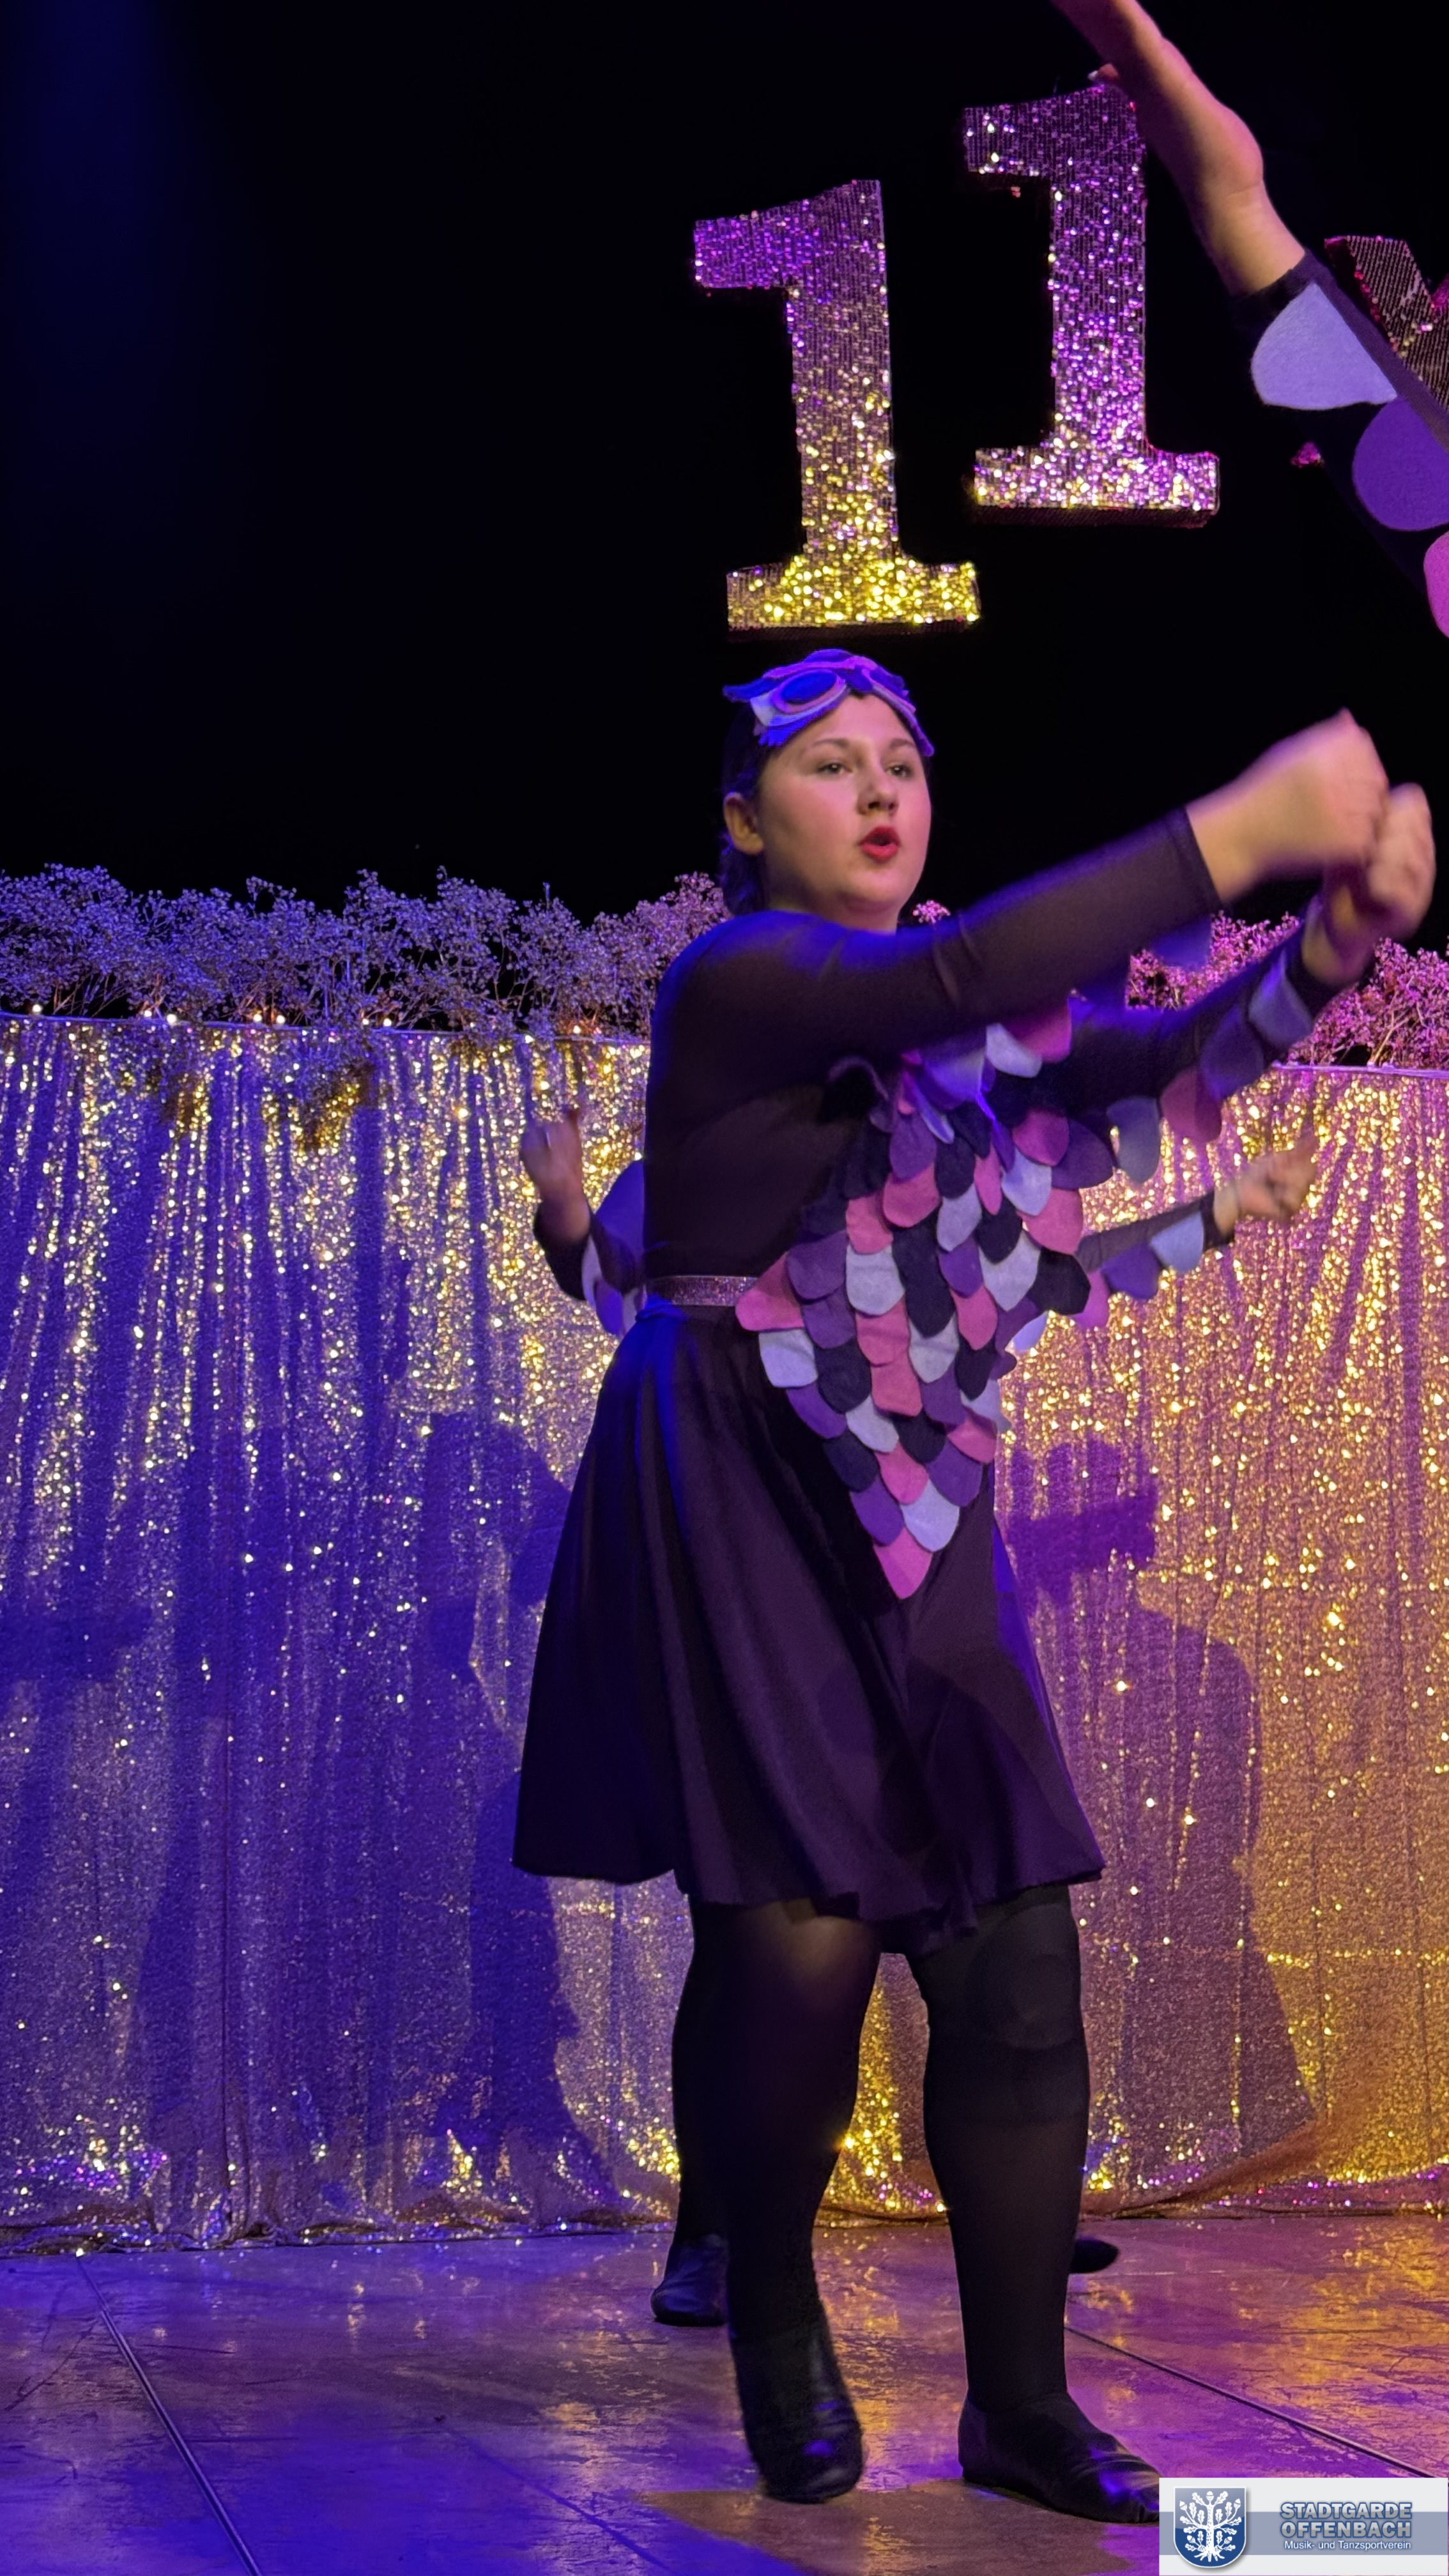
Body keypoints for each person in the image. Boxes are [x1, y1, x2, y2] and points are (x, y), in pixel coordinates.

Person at [511, 629, 1432, 2522]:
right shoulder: (742, 982)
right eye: (830, 763)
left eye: (903, 763)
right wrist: (1239, 829)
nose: (878, 790)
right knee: (797, 1941)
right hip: (748, 1477)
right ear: (744, 821)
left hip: (917, 1494)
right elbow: (959, 973)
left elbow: (1156, 1070)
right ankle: (771, 2300)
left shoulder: (953, 1035)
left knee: (1015, 1947)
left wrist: (1328, 949)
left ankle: (1020, 2409)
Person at [521, 1096, 1319, 2322]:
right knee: (762, 1924)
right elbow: (621, 1289)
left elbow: (1062, 1278)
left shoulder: (939, 1171)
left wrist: (1218, 1210)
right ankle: (718, 2233)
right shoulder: (721, 1155)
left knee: (989, 1913)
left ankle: (1011, 2206)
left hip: (917, 1580)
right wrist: (569, 1208)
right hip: (771, 1582)